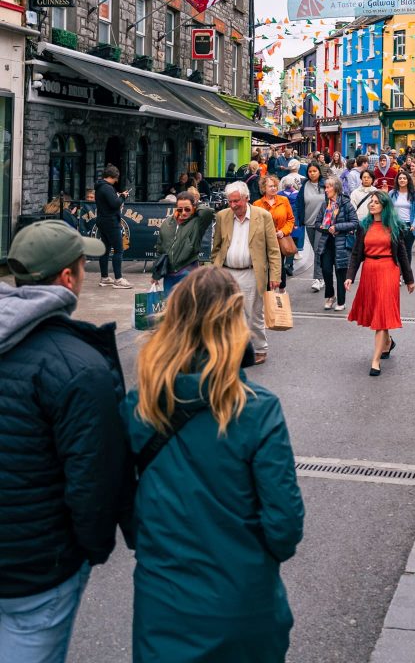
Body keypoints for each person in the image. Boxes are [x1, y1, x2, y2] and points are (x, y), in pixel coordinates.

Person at [123, 267, 304, 663]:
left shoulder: (139, 405)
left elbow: (121, 499)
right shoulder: (257, 409)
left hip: (163, 597)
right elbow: (285, 525)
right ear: (233, 323)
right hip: (243, 598)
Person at [0, 220, 133, 661]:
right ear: (67, 279)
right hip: (37, 567)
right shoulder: (78, 365)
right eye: (82, 266)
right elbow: (94, 477)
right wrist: (90, 549)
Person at [345, 191, 415, 376]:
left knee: (381, 314)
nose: (372, 204)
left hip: (388, 271)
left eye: (376, 202)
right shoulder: (364, 226)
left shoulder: (394, 226)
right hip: (369, 270)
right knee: (377, 311)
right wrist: (350, 276)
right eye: (371, 202)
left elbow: (402, 254)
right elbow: (356, 253)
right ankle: (388, 341)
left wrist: (409, 279)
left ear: (384, 206)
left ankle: (375, 361)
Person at [212, 181, 281, 365]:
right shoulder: (222, 216)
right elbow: (216, 246)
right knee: (227, 314)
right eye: (230, 202)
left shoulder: (263, 216)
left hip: (252, 273)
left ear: (246, 198)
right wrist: (215, 266)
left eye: (237, 201)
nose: (233, 205)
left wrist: (275, 276)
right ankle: (232, 349)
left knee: (253, 314)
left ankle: (259, 349)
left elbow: (273, 249)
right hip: (227, 273)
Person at [154, 191, 216, 293]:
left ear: (194, 207)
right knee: (170, 306)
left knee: (187, 306)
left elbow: (208, 212)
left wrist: (197, 204)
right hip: (169, 275)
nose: (183, 212)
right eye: (180, 209)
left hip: (188, 272)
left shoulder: (197, 222)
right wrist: (155, 275)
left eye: (187, 209)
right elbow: (160, 249)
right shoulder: (167, 223)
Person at [314, 176, 358, 311]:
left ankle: (341, 301)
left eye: (328, 187)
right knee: (326, 270)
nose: (326, 190)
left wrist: (337, 227)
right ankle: (330, 296)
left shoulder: (346, 204)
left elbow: (355, 223)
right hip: (326, 241)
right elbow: (317, 222)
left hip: (341, 243)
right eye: (325, 187)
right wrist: (323, 227)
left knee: (340, 273)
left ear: (336, 188)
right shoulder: (324, 205)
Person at [253, 175, 296, 293]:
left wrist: (284, 231)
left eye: (275, 186)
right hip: (264, 242)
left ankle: (281, 293)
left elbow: (291, 219)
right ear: (263, 188)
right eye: (270, 186)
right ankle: (268, 296)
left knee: (279, 266)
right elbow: (254, 224)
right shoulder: (257, 204)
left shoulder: (284, 200)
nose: (273, 188)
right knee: (266, 268)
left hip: (280, 241)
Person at [95, 163, 132, 289]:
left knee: (105, 250)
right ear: (111, 176)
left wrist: (119, 197)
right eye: (116, 178)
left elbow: (109, 202)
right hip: (111, 222)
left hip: (102, 220)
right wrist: (123, 196)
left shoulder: (100, 186)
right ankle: (118, 279)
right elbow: (115, 204)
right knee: (118, 250)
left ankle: (104, 278)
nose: (116, 181)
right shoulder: (107, 188)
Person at [295, 161, 326, 291]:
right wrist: (298, 221)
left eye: (314, 171)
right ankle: (324, 273)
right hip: (309, 222)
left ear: (319, 172)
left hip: (323, 224)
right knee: (317, 251)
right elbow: (299, 204)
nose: (312, 173)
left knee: (319, 250)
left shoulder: (325, 185)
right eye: (310, 171)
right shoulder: (304, 186)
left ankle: (317, 279)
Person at [391, 169, 415, 262]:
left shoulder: (414, 194)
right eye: (400, 178)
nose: (402, 180)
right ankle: (397, 273)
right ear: (397, 180)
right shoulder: (392, 193)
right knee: (395, 251)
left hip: (409, 226)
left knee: (407, 251)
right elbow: (388, 209)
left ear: (408, 180)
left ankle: (406, 273)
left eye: (404, 178)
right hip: (395, 226)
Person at [279, 174, 305, 277]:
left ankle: (282, 265)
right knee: (292, 243)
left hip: (281, 224)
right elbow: (300, 210)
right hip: (295, 223)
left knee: (281, 243)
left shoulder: (279, 194)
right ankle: (289, 264)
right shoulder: (298, 195)